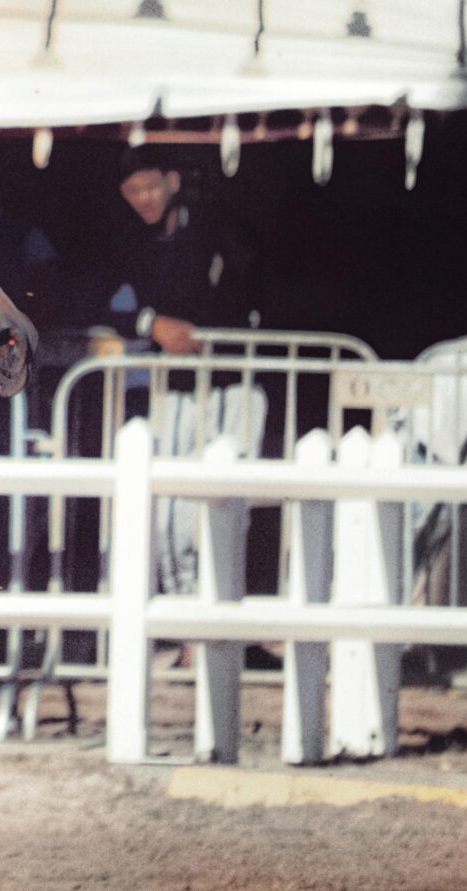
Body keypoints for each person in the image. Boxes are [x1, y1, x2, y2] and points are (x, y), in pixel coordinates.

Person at [99, 148, 262, 598]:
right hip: (171, 386)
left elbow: (252, 288)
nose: (143, 199)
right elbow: (101, 301)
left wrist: (214, 328)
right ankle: (183, 613)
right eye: (132, 191)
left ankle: (219, 615)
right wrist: (153, 324)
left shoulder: (217, 228)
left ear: (173, 181)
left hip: (233, 381)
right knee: (170, 505)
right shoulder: (129, 242)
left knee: (224, 502)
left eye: (151, 187)